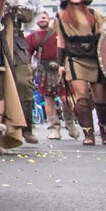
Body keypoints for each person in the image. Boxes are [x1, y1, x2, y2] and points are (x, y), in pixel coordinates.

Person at [54, 0, 106, 146]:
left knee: (100, 99)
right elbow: (60, 42)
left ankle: (105, 131)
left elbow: (102, 38)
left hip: (94, 57)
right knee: (82, 96)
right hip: (74, 58)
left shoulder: (93, 14)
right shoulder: (60, 16)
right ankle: (88, 133)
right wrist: (61, 65)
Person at [26, 11, 75, 140]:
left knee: (66, 98)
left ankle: (69, 123)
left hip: (63, 68)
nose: (42, 19)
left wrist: (65, 65)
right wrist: (29, 70)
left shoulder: (59, 34)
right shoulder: (32, 37)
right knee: (49, 99)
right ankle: (54, 128)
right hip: (44, 69)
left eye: (44, 17)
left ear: (49, 19)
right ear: (35, 21)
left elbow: (69, 50)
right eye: (39, 17)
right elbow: (27, 55)